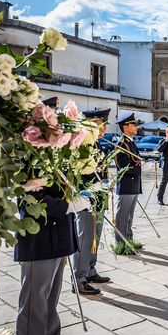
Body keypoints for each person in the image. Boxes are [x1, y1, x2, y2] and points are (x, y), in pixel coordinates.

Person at [14, 185, 90, 335]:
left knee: (50, 299)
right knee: (33, 307)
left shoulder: (59, 154)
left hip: (59, 236)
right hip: (38, 238)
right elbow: (32, 200)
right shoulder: (27, 155)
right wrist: (68, 205)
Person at [72, 108, 111, 295]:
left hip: (99, 198)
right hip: (86, 200)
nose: (103, 128)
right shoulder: (82, 145)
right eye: (100, 124)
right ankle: (79, 278)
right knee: (84, 239)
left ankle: (90, 270)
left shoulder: (97, 144)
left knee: (94, 238)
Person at [114, 113, 143, 252]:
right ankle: (120, 243)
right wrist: (141, 168)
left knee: (129, 216)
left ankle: (129, 240)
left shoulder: (131, 142)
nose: (136, 127)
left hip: (134, 184)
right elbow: (123, 167)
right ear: (125, 128)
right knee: (122, 216)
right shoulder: (121, 144)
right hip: (126, 185)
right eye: (133, 124)